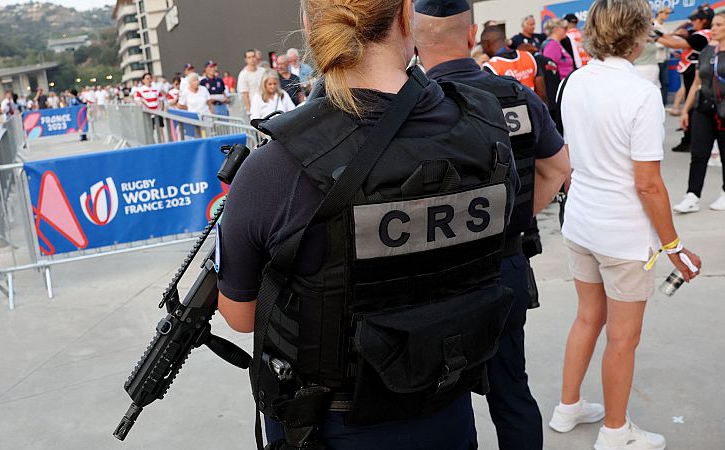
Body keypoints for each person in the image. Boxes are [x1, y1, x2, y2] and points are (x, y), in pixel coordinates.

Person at [217, 0, 520, 447]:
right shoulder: (484, 125)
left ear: (309, 24)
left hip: (335, 429)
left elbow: (240, 316)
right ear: (406, 14)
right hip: (448, 411)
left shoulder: (275, 168)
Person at [413, 2, 570, 449]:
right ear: (471, 35)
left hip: (430, 280)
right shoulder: (516, 96)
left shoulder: (407, 106)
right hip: (503, 266)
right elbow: (558, 168)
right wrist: (509, 219)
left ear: (415, 41)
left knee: (435, 404)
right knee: (511, 391)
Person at [553, 1, 702, 449]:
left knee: (587, 317)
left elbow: (569, 154)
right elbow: (648, 184)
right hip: (622, 234)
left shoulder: (575, 81)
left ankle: (568, 407)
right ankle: (616, 432)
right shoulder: (640, 93)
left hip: (581, 222)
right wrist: (674, 245)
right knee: (623, 337)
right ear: (638, 37)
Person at [674, 9, 725, 213]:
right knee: (699, 153)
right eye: (713, 24)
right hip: (704, 107)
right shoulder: (708, 51)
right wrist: (685, 110)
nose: (713, 28)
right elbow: (696, 82)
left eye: (719, 25)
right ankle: (692, 196)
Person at [657, 5, 714, 152]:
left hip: (695, 72)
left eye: (695, 19)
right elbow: (677, 37)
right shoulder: (698, 33)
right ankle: (690, 138)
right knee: (691, 106)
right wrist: (659, 34)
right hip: (692, 71)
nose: (692, 22)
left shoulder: (702, 36)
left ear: (703, 21)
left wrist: (655, 37)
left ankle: (690, 140)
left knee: (692, 108)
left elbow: (676, 43)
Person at [482, 26, 548, 103]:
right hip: (533, 107)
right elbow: (542, 96)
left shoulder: (491, 67)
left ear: (486, 45)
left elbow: (491, 102)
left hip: (510, 109)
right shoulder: (528, 56)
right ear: (505, 39)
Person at [134, 72, 164, 143]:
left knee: (161, 131)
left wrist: (161, 110)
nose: (149, 80)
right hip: (148, 114)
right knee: (150, 132)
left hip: (157, 113)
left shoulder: (156, 89)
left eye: (150, 78)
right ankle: (153, 145)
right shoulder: (140, 90)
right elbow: (137, 100)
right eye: (147, 78)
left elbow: (161, 99)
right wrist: (143, 105)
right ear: (143, 80)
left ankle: (163, 145)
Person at [654, 7, 674, 105]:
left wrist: (672, 50)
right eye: (666, 13)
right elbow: (651, 43)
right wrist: (665, 44)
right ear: (659, 13)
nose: (667, 16)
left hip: (665, 59)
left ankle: (663, 104)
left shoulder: (665, 27)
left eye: (668, 14)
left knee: (665, 83)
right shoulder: (652, 26)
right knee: (655, 83)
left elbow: (669, 42)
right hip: (655, 60)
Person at [237, 49, 265, 113]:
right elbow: (245, 96)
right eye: (249, 57)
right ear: (246, 60)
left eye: (253, 56)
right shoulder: (243, 75)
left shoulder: (263, 71)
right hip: (253, 108)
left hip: (265, 104)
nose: (252, 59)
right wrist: (250, 111)